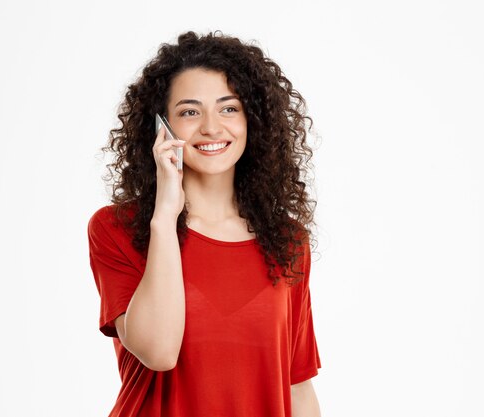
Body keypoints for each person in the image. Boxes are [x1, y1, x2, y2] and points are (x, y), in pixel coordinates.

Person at [87, 30, 322, 417]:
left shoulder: (286, 240)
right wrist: (165, 216)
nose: (212, 128)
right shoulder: (118, 229)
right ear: (162, 127)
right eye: (190, 112)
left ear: (254, 120)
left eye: (229, 108)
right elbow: (159, 351)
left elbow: (297, 387)